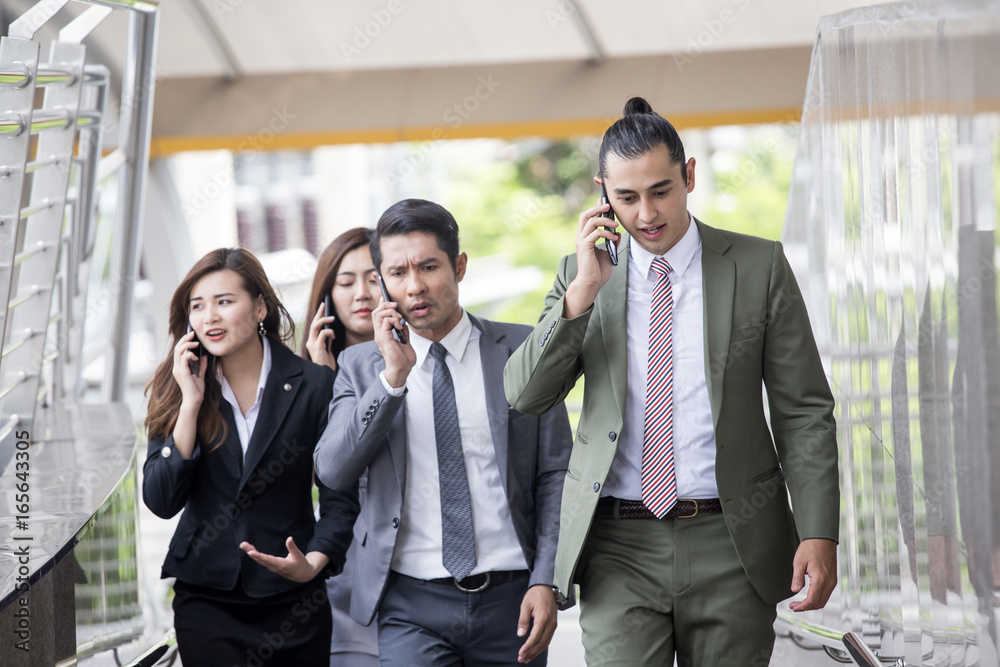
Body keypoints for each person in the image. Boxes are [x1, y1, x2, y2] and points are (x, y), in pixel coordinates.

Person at [503, 97, 840, 666]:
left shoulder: (758, 267)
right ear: (602, 192)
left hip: (732, 540)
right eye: (626, 198)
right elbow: (526, 395)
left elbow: (803, 409)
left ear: (688, 176)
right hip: (617, 546)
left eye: (661, 191)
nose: (646, 214)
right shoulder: (580, 277)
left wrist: (818, 531)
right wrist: (582, 294)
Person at [313, 199, 573, 666]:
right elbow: (333, 470)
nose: (414, 286)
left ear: (459, 266)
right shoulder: (360, 366)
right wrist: (391, 379)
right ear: (383, 282)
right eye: (396, 273)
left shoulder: (520, 349)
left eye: (429, 267)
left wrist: (546, 580)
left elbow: (555, 474)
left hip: (513, 597)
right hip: (409, 604)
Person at [142, 248, 359, 667]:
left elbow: (341, 491)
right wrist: (190, 404)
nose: (210, 318)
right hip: (207, 598)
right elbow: (161, 500)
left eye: (224, 302)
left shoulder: (315, 384)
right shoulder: (178, 387)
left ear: (260, 306)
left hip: (294, 598)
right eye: (198, 306)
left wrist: (315, 561)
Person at [300, 227, 381, 667]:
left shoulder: (426, 358)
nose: (362, 293)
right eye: (346, 282)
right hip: (347, 564)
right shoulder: (308, 374)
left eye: (373, 277)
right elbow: (325, 471)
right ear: (327, 296)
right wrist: (324, 380)